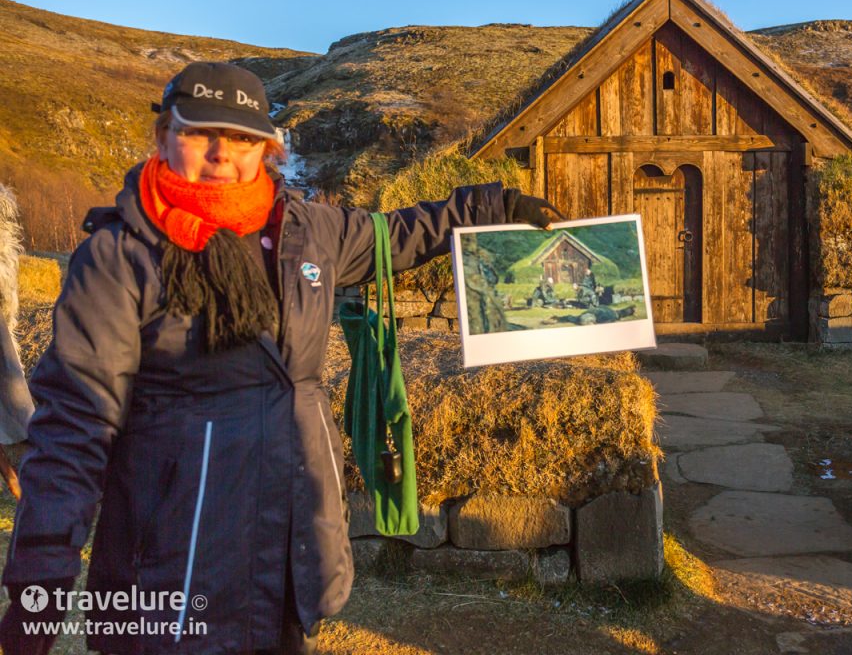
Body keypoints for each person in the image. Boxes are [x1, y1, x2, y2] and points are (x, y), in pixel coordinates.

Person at [0, 62, 560, 655]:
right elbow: (74, 432)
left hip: (290, 550)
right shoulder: (120, 256)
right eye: (197, 132)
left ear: (266, 148)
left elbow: (397, 234)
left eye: (241, 137)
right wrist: (38, 597)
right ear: (163, 136)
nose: (221, 153)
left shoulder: (310, 231)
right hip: (174, 569)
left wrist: (494, 205)